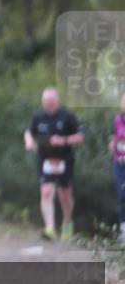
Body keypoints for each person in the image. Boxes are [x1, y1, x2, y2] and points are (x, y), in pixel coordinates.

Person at [24, 88, 84, 241]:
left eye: (51, 102)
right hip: (45, 160)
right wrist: (29, 141)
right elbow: (29, 132)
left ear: (57, 101)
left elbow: (80, 137)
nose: (48, 105)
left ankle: (67, 222)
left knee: (65, 195)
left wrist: (63, 140)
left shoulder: (68, 117)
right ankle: (49, 228)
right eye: (45, 102)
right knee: (46, 191)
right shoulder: (38, 117)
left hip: (64, 159)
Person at [111, 92, 125, 243]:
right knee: (122, 196)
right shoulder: (117, 120)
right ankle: (123, 231)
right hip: (119, 163)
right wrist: (114, 143)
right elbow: (114, 138)